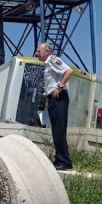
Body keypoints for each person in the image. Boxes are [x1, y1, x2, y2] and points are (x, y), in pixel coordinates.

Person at [35, 42, 73, 170]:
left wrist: (60, 86)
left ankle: (64, 161)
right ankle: (60, 160)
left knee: (59, 130)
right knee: (56, 130)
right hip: (52, 99)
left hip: (59, 98)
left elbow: (69, 71)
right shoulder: (47, 64)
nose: (36, 53)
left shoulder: (53, 59)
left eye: (39, 51)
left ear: (47, 51)